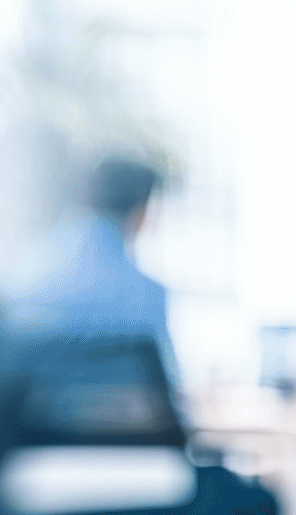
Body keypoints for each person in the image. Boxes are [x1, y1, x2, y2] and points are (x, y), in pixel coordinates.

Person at [14, 154, 178, 383]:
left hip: (26, 417)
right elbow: (160, 389)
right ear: (142, 210)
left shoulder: (23, 272)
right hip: (116, 418)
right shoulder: (147, 293)